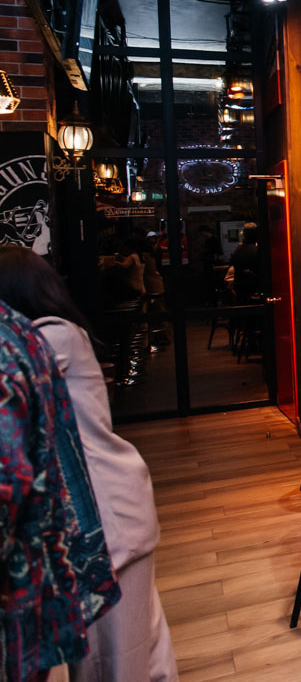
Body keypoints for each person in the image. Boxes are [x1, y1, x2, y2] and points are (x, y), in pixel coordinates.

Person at [0, 246, 178, 681]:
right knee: (143, 652)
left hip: (106, 514)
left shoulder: (52, 337)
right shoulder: (57, 334)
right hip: (112, 506)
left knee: (113, 663)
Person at [0, 298, 120, 680]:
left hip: (77, 525)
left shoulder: (36, 339)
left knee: (120, 656)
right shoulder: (28, 337)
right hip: (63, 542)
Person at [227, 221, 262, 302]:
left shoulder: (239, 249)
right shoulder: (257, 250)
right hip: (254, 288)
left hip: (240, 287)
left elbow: (233, 263)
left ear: (245, 235)